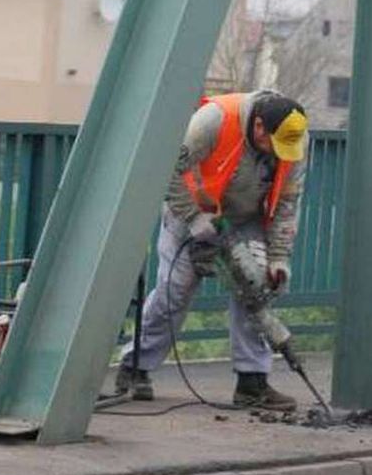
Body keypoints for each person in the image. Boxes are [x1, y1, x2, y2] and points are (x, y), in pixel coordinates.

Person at [116, 90, 308, 411]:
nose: (278, 154)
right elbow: (167, 169)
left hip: (245, 217)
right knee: (174, 292)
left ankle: (252, 382)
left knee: (256, 290)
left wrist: (279, 258)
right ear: (258, 126)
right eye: (272, 144)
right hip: (192, 210)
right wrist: (193, 218)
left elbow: (288, 202)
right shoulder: (212, 121)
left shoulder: (296, 138)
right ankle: (135, 367)